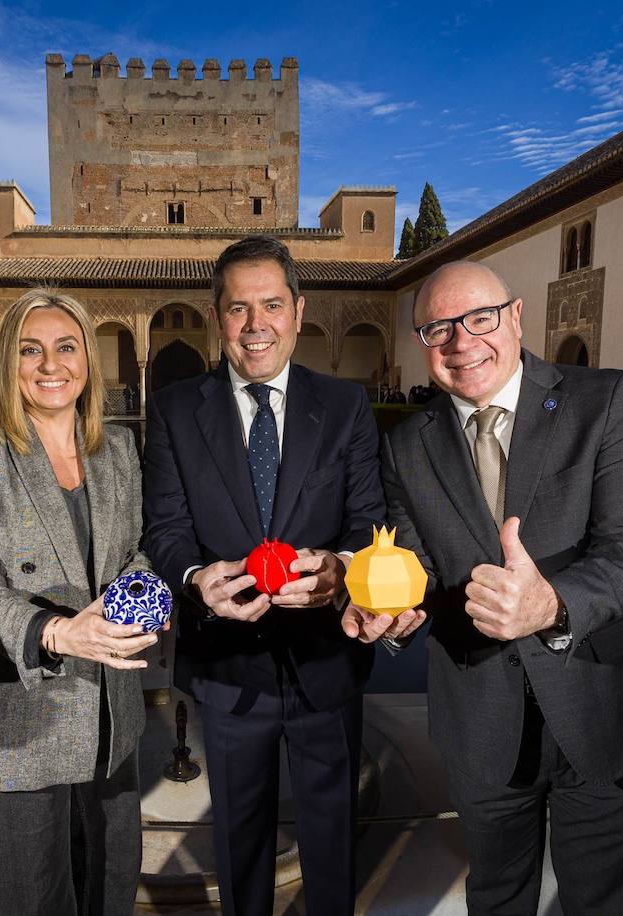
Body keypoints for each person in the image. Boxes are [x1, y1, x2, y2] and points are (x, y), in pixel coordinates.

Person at [349, 260, 623, 915]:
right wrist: (394, 608)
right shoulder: (407, 445)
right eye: (438, 329)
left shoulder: (609, 401)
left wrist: (552, 603)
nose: (462, 342)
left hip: (607, 705)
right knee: (496, 897)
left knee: (601, 903)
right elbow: (417, 566)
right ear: (423, 344)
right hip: (483, 717)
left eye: (479, 319)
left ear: (516, 317)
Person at [142, 235, 386, 915]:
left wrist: (341, 568)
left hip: (326, 666)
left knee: (332, 846)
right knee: (240, 847)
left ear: (299, 311)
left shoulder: (345, 406)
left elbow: (369, 520)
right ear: (216, 315)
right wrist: (195, 579)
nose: (256, 326)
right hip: (226, 670)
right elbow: (163, 529)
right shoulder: (172, 411)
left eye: (272, 305)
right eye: (238, 308)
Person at [0, 289, 157, 916]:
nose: (50, 365)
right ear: (8, 362)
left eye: (66, 347)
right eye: (30, 350)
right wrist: (57, 633)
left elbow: (137, 551)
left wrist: (141, 606)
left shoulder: (114, 450)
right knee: (35, 899)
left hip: (111, 713)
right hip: (19, 716)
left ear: (89, 357)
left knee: (110, 885)